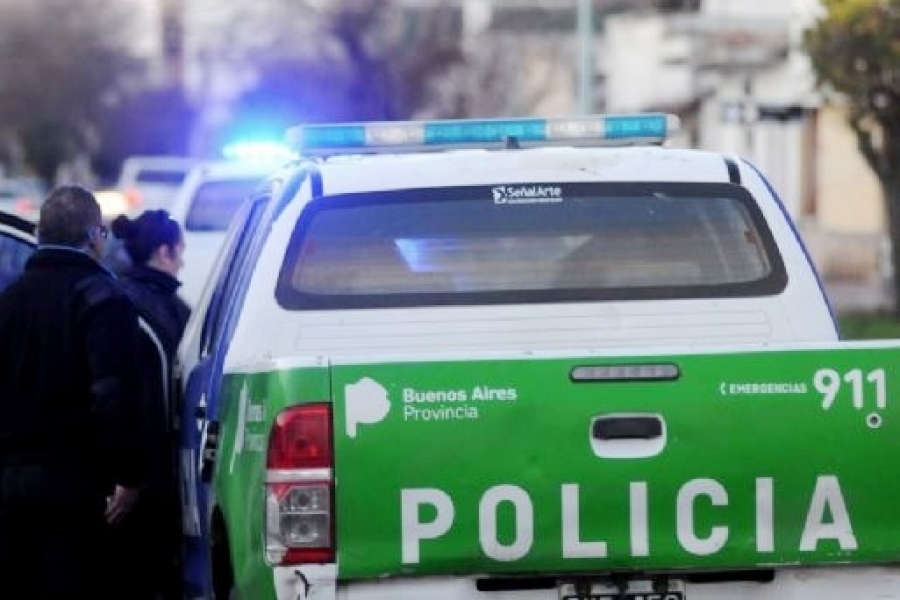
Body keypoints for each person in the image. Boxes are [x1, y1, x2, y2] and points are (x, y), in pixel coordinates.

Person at [0, 185, 146, 598]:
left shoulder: (9, 302)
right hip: (76, 486)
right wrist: (129, 475)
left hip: (11, 484)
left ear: (40, 234)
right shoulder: (103, 299)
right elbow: (114, 396)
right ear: (94, 236)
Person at [107, 209, 191, 599]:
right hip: (156, 475)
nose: (183, 261)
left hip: (127, 475)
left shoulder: (116, 301)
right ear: (164, 251)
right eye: (180, 251)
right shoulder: (174, 311)